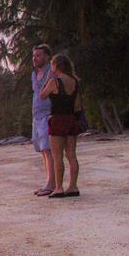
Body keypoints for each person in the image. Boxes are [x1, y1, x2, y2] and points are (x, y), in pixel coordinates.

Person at [39, 54, 81, 198]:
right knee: (72, 155)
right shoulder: (75, 81)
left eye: (52, 64)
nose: (51, 67)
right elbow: (77, 104)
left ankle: (58, 188)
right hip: (71, 118)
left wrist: (47, 79)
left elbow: (42, 95)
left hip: (58, 119)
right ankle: (73, 186)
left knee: (57, 156)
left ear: (56, 65)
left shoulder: (54, 81)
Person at [31, 44, 55, 196]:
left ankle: (51, 184)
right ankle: (48, 182)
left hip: (48, 113)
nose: (35, 58)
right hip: (36, 115)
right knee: (42, 150)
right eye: (34, 56)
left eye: (38, 55)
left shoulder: (51, 72)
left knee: (48, 149)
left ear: (46, 56)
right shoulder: (34, 74)